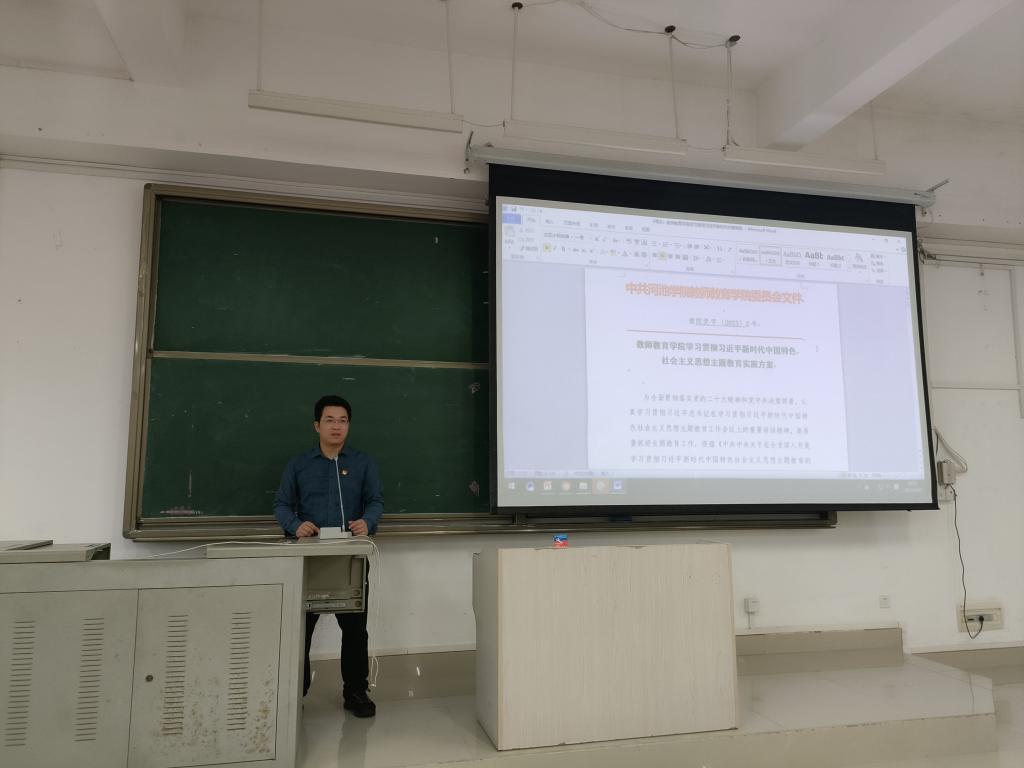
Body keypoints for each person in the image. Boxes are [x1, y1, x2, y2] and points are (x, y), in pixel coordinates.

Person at [273, 394, 383, 718]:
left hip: (349, 558)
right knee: (301, 627)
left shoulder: (363, 463)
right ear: (317, 425)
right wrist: (295, 525)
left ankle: (356, 691)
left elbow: (375, 501)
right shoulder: (298, 465)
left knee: (355, 628)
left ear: (349, 425)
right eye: (330, 420)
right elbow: (281, 504)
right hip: (309, 558)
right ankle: (296, 689)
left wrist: (368, 521)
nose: (337, 426)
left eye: (343, 421)